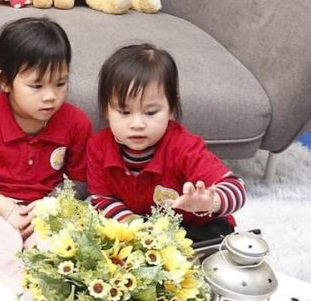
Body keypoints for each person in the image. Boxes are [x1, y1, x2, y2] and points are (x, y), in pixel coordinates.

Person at [0, 19, 93, 292]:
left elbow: (81, 180)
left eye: (60, 84)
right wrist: (3, 207)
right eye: (36, 86)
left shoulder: (76, 123)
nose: (50, 96)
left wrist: (51, 204)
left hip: (48, 211)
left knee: (63, 263)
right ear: (5, 81)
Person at [84, 43, 246, 249]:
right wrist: (137, 229)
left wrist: (210, 202)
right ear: (106, 109)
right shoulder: (98, 147)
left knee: (215, 254)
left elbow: (237, 187)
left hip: (195, 226)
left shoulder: (184, 147)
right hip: (139, 224)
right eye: (124, 112)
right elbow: (102, 198)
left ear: (171, 108)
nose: (137, 124)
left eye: (150, 112)